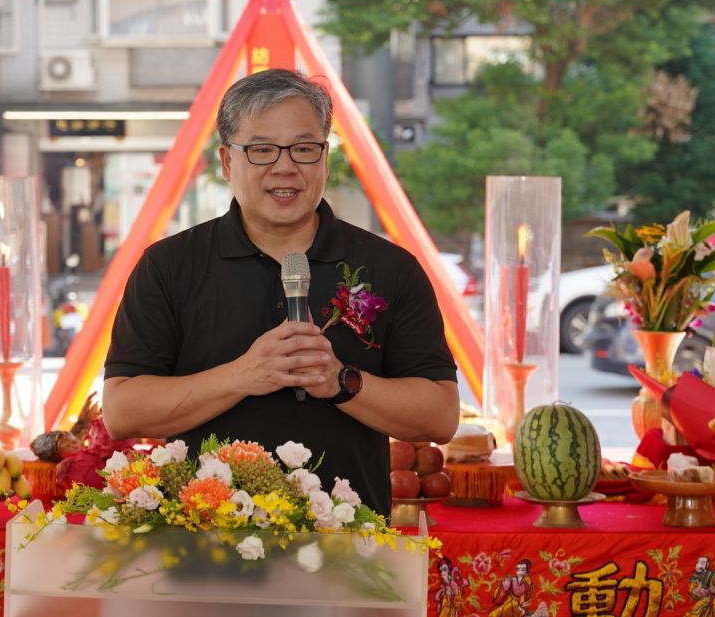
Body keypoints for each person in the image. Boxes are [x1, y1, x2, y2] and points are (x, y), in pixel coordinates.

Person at [102, 68, 459, 514]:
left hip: (349, 542)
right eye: (262, 150)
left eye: (304, 149)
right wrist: (243, 375)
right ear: (227, 162)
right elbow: (122, 412)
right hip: (202, 539)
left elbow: (440, 416)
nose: (285, 167)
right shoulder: (169, 265)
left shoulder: (390, 268)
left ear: (325, 158)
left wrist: (339, 380)